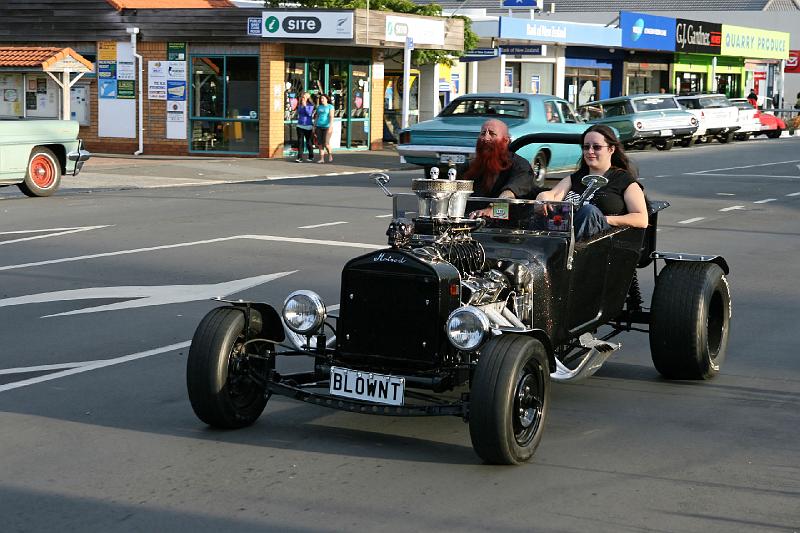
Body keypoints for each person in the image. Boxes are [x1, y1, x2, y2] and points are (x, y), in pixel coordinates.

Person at [536, 124, 648, 240]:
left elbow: (641, 219)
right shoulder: (575, 178)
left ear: (611, 149)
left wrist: (604, 219)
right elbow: (553, 195)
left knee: (589, 211)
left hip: (602, 242)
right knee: (543, 213)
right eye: (586, 147)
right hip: (566, 234)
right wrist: (543, 197)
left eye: (596, 147)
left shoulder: (624, 180)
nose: (590, 151)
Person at [466, 119, 537, 218]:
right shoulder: (469, 167)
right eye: (483, 133)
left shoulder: (521, 166)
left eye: (492, 134)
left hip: (508, 229)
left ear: (506, 141)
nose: (485, 138)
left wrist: (492, 210)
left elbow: (509, 193)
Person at [313, 93, 334, 163]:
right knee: (320, 144)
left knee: (326, 143)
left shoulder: (330, 107)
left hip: (327, 127)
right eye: (321, 98)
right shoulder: (319, 107)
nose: (322, 100)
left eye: (323, 98)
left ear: (327, 99)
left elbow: (331, 117)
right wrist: (314, 126)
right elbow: (317, 117)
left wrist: (330, 126)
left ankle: (330, 155)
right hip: (319, 126)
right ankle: (322, 159)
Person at [295, 92, 314, 162]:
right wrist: (302, 106)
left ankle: (311, 156)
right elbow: (299, 112)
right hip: (300, 125)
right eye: (302, 97)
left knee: (309, 142)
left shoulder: (310, 105)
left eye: (304, 97)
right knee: (300, 142)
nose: (302, 98)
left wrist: (305, 106)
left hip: (308, 126)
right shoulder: (300, 105)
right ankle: (299, 157)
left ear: (307, 98)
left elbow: (309, 114)